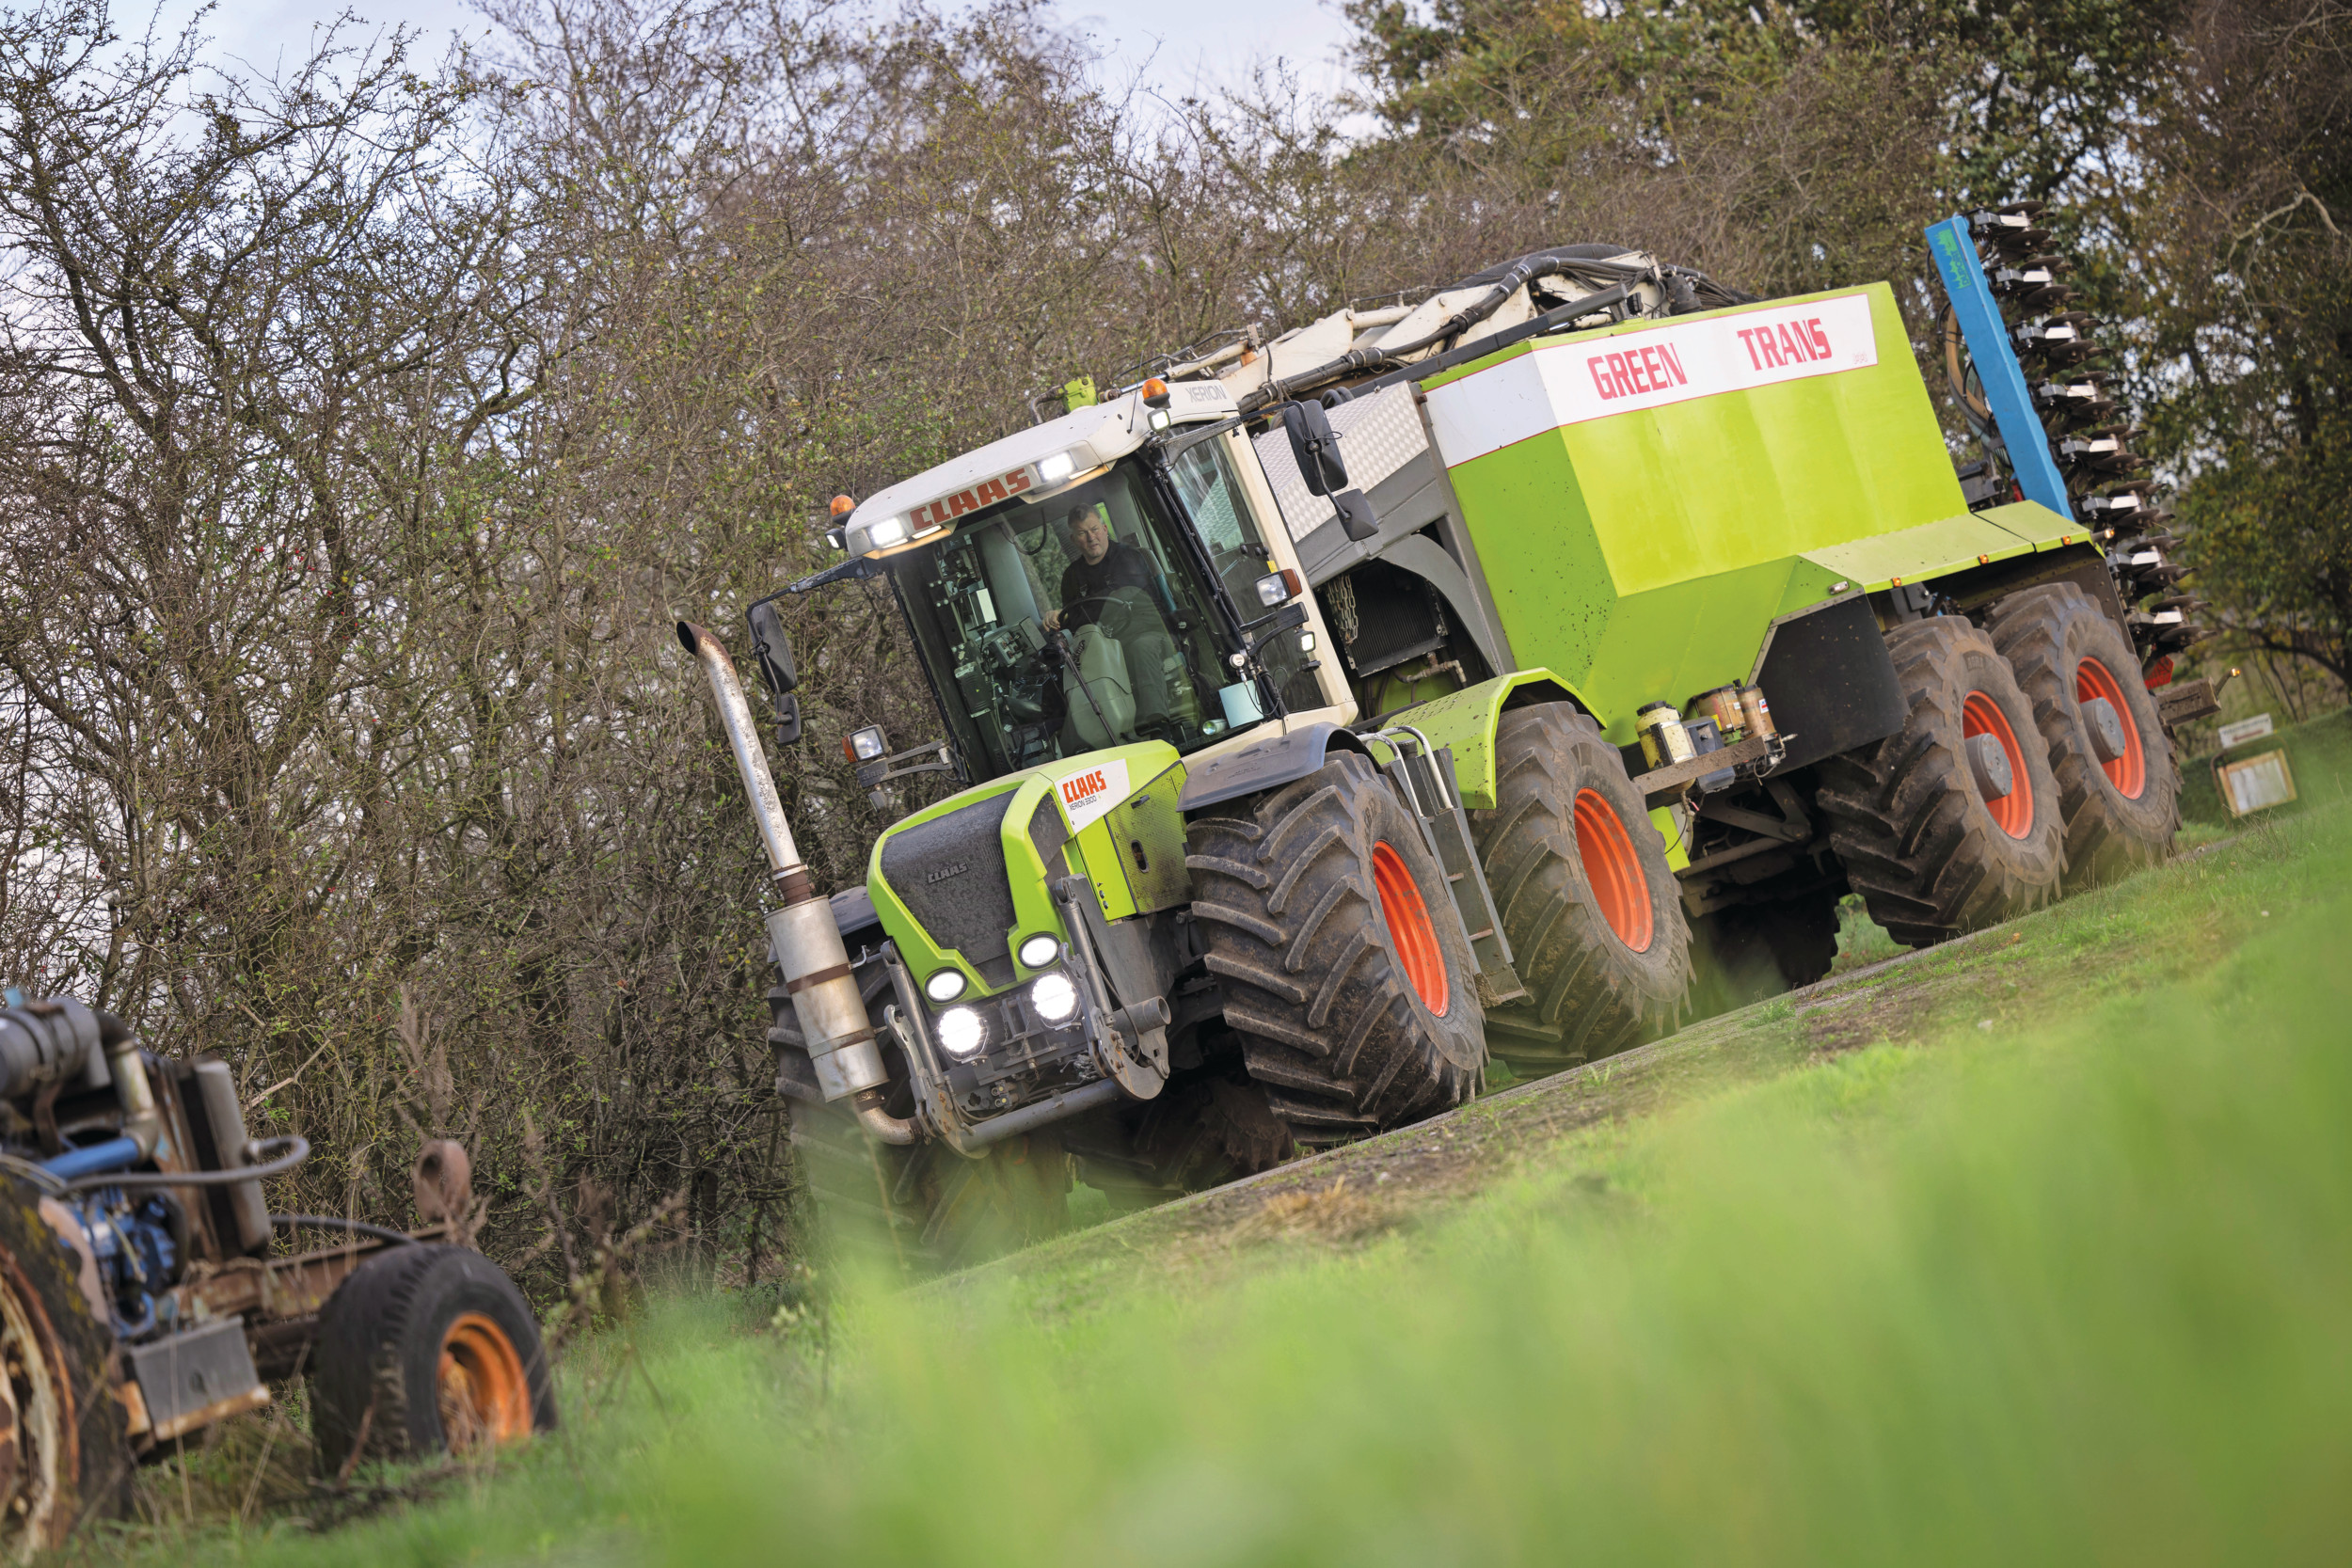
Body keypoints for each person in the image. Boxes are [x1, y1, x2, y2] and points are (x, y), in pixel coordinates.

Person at [1043, 505, 1178, 732]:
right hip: (1099, 646)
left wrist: (1074, 611)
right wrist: (1057, 616)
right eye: (1082, 533)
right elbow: (1073, 620)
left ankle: (1155, 725)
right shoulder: (1071, 577)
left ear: (1105, 529)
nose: (1091, 537)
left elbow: (1119, 599)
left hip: (1148, 634)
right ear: (1073, 539)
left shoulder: (1129, 558)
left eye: (1094, 529)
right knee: (1061, 674)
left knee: (1140, 648)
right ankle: (1080, 742)